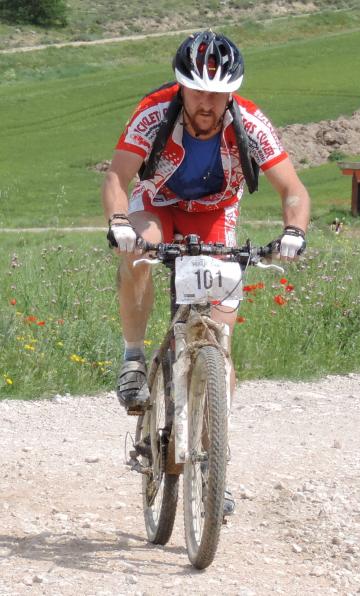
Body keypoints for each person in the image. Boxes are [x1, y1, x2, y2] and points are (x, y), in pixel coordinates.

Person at [102, 29, 310, 413]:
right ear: (181, 87)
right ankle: (133, 357)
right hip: (158, 200)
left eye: (217, 94)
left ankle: (214, 440)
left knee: (221, 336)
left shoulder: (250, 121)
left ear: (232, 91)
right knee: (138, 246)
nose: (206, 103)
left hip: (214, 211)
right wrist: (118, 222)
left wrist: (294, 231)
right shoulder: (153, 111)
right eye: (197, 92)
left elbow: (292, 188)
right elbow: (117, 176)